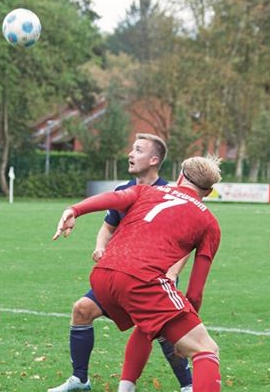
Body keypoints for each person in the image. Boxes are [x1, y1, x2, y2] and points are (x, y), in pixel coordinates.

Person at [53, 155, 223, 392]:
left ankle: (126, 388)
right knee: (206, 348)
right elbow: (194, 292)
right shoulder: (209, 223)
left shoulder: (147, 191)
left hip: (103, 273)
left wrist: (75, 210)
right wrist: (188, 326)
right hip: (141, 279)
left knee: (146, 324)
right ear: (209, 190)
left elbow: (115, 197)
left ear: (180, 176)